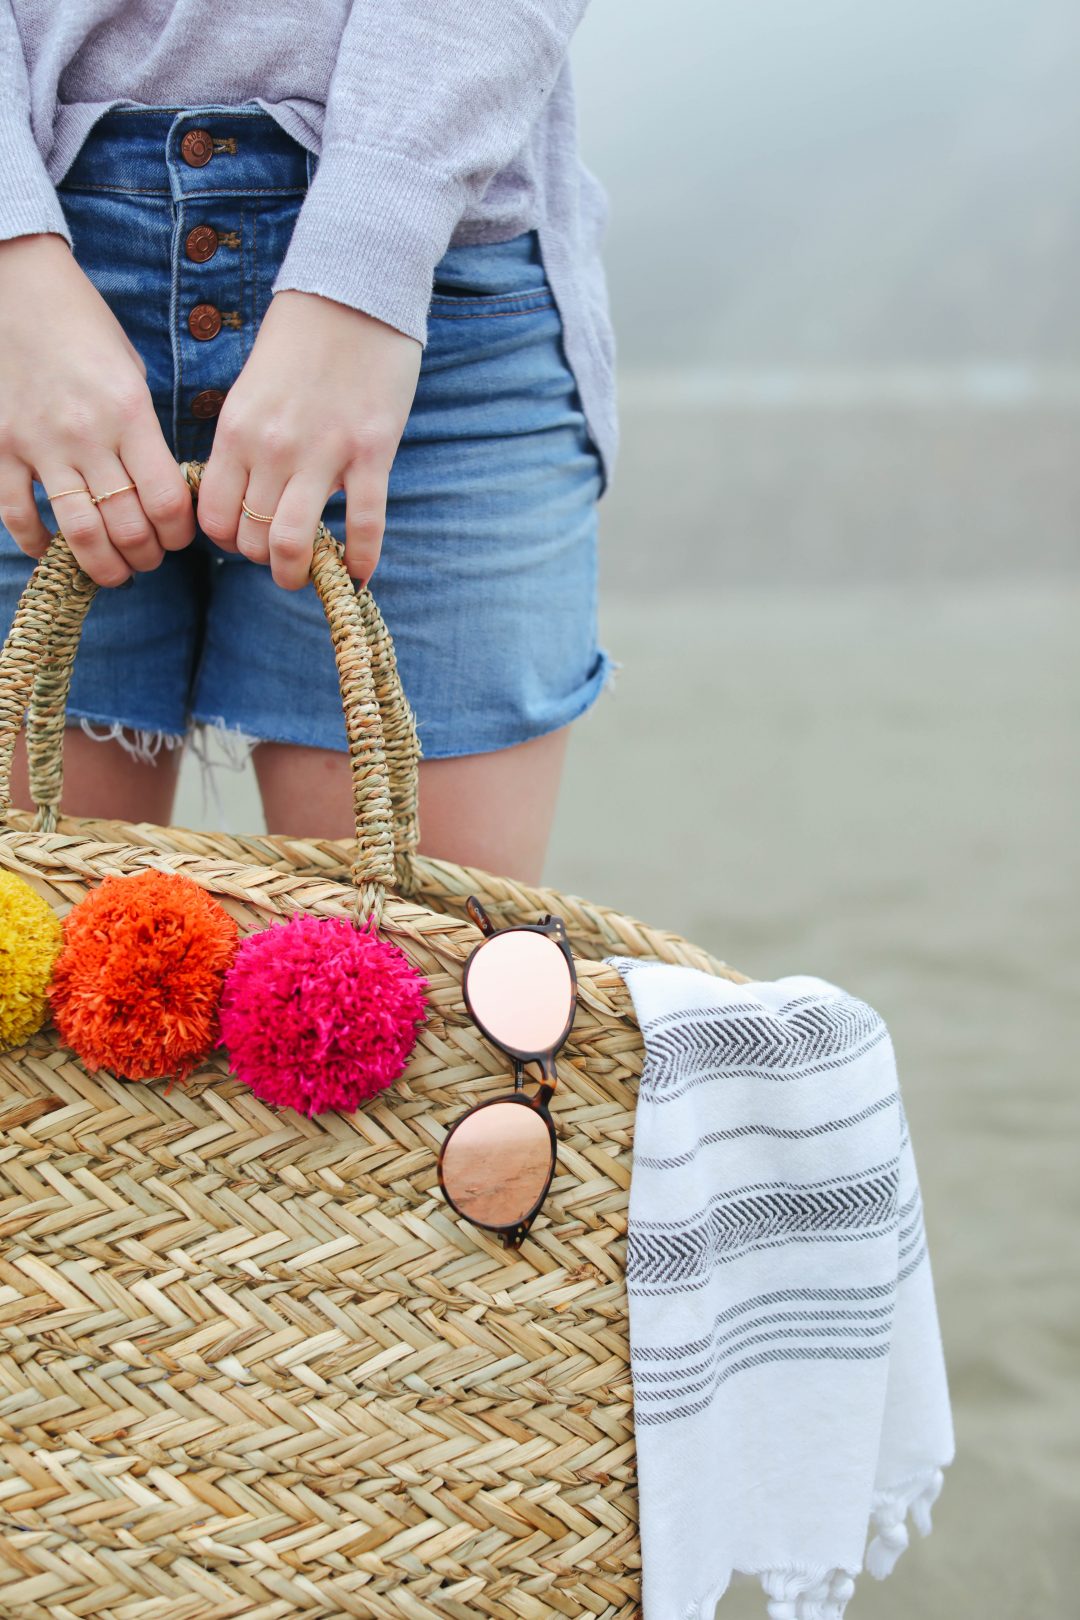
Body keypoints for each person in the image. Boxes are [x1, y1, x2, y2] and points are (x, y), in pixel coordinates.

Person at [0, 3, 619, 886]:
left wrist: (365, 264)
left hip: (436, 272)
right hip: (20, 303)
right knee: (24, 984)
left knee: (411, 992)